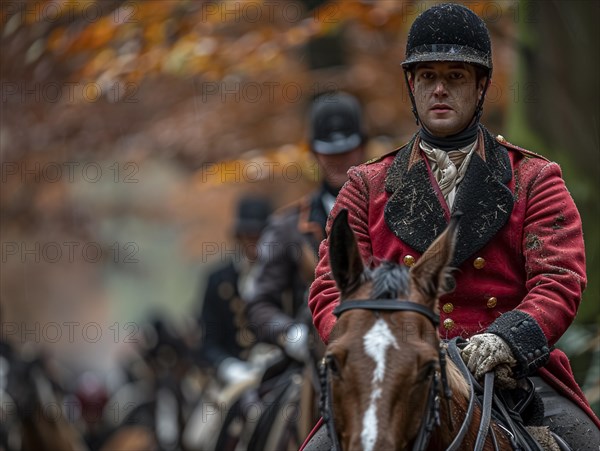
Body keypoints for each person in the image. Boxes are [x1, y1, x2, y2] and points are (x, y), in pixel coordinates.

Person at [305, 3, 600, 450]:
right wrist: (368, 344)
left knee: (585, 441)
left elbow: (559, 280)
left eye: (456, 77)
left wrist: (506, 339)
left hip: (509, 374)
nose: (440, 89)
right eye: (427, 77)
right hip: (392, 372)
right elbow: (331, 289)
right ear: (412, 84)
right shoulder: (366, 185)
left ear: (481, 85)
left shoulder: (534, 179)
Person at [243, 92, 367, 362]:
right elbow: (260, 303)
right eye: (329, 152)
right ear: (313, 152)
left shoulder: (387, 213)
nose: (339, 160)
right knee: (250, 403)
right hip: (311, 355)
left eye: (347, 151)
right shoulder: (286, 227)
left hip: (378, 349)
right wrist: (289, 334)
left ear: (362, 147)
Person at [196, 195, 272, 385]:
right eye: (249, 235)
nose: (254, 242)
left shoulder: (283, 276)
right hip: (232, 375)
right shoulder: (217, 280)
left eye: (260, 235)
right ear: (239, 236)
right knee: (207, 415)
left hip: (277, 370)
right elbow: (208, 341)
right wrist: (227, 366)